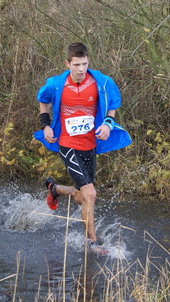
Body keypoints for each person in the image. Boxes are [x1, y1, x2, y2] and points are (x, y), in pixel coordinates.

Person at [34, 42, 131, 248]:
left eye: (84, 64)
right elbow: (43, 100)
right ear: (67, 63)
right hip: (67, 144)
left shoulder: (101, 83)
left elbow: (112, 106)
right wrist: (45, 126)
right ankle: (93, 243)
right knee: (91, 194)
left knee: (81, 197)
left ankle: (56, 189)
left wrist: (107, 123)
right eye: (76, 65)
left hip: (89, 144)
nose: (81, 69)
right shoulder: (56, 84)